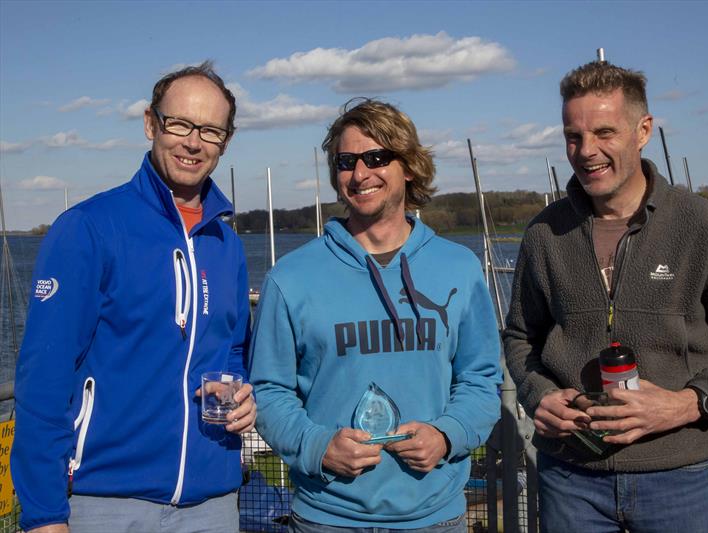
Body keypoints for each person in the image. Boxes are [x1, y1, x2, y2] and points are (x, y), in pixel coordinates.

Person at [503, 60, 708, 532]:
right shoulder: (544, 233)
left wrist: (686, 403)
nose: (586, 151)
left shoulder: (704, 227)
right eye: (573, 136)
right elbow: (519, 337)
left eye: (604, 132)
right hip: (570, 481)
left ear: (643, 131)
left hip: (679, 481)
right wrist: (539, 397)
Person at [12, 61, 255, 533]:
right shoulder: (88, 229)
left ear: (226, 141)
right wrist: (43, 516)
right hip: (105, 504)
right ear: (150, 123)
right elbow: (44, 378)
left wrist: (242, 391)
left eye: (210, 130)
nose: (192, 142)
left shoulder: (227, 244)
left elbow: (234, 348)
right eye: (179, 123)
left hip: (214, 504)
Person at [248, 98, 502, 532]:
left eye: (377, 157)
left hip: (435, 519)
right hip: (326, 518)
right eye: (346, 161)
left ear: (409, 166)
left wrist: (446, 435)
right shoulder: (290, 278)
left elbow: (481, 379)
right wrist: (318, 446)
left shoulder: (458, 268)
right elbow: (269, 391)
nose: (360, 174)